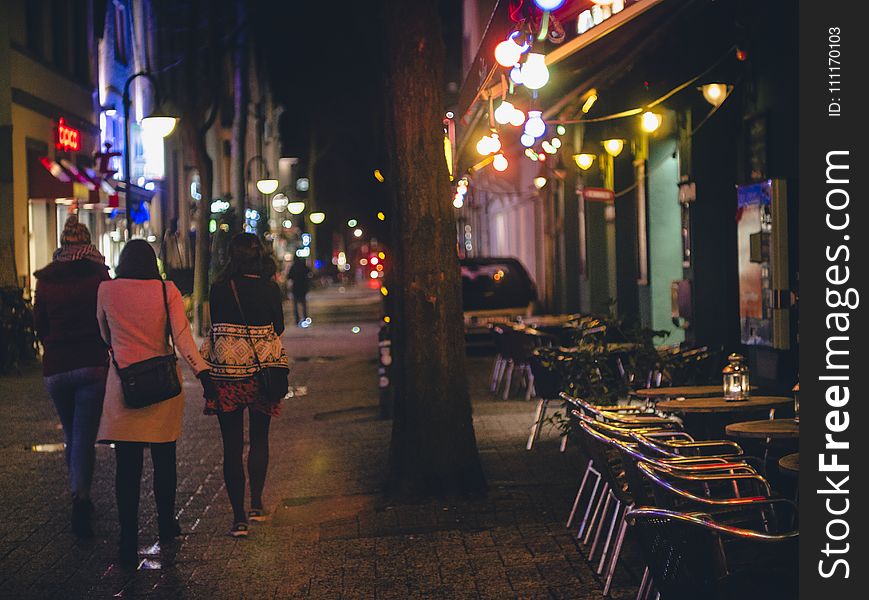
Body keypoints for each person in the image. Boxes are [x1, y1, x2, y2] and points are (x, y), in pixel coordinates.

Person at [95, 240, 215, 568]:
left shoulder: (106, 290)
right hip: (163, 386)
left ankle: (128, 535)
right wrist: (202, 372)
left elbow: (104, 334)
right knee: (165, 460)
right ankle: (166, 522)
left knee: (127, 467)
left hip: (125, 387)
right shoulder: (167, 291)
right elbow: (182, 337)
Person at [33, 216, 111, 538]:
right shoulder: (99, 276)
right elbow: (108, 318)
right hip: (91, 364)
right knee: (82, 435)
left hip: (56, 366)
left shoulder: (46, 279)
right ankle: (80, 495)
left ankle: (79, 489)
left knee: (71, 432)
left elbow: (40, 324)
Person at [206, 233, 286, 537]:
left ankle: (238, 518)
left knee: (231, 446)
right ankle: (256, 504)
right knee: (259, 438)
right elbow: (278, 327)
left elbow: (215, 326)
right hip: (263, 373)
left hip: (227, 375)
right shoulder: (269, 289)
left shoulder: (219, 289)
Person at [286, 254, 311, 325]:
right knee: (304, 303)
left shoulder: (293, 267)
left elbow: (289, 276)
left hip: (296, 287)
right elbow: (309, 272)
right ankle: (305, 316)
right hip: (303, 287)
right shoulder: (303, 266)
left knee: (295, 304)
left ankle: (297, 319)